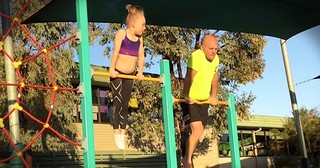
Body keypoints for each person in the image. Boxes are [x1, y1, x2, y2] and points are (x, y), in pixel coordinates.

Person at [109, 4, 146, 150]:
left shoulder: (140, 39)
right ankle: (115, 131)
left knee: (125, 104)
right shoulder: (121, 34)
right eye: (143, 25)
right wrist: (111, 69)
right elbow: (116, 52)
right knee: (117, 102)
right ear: (133, 24)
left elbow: (141, 55)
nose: (144, 28)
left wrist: (140, 72)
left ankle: (122, 132)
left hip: (130, 75)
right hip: (118, 73)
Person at [180, 35, 220, 168]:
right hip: (190, 100)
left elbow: (215, 78)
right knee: (196, 130)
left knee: (198, 132)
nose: (214, 51)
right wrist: (186, 95)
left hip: (203, 102)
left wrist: (213, 96)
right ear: (202, 48)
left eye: (216, 49)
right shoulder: (196, 56)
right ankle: (187, 160)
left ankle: (187, 157)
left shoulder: (216, 59)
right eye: (211, 49)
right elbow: (189, 77)